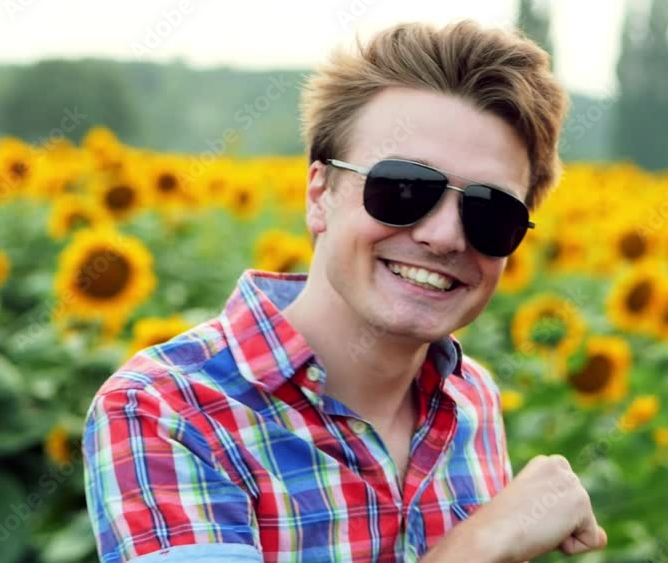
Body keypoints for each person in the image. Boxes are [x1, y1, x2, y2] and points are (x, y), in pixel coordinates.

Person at [83, 19, 607, 562]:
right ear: (319, 194)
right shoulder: (170, 409)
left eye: (490, 212)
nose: (444, 236)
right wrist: (485, 542)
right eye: (403, 188)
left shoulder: (471, 399)